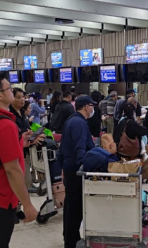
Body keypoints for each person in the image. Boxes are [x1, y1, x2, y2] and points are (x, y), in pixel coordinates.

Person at [0, 73, 38, 247]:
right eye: (9, 88)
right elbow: (12, 169)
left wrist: (19, 143)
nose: (13, 90)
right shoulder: (5, 125)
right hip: (0, 199)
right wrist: (27, 204)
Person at [58, 95, 97, 248]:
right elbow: (80, 148)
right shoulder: (80, 123)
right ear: (86, 107)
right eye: (91, 106)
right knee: (75, 209)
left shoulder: (71, 120)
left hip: (69, 168)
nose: (93, 109)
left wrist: (63, 167)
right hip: (76, 171)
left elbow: (62, 148)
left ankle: (69, 236)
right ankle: (71, 243)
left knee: (69, 207)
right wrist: (85, 169)